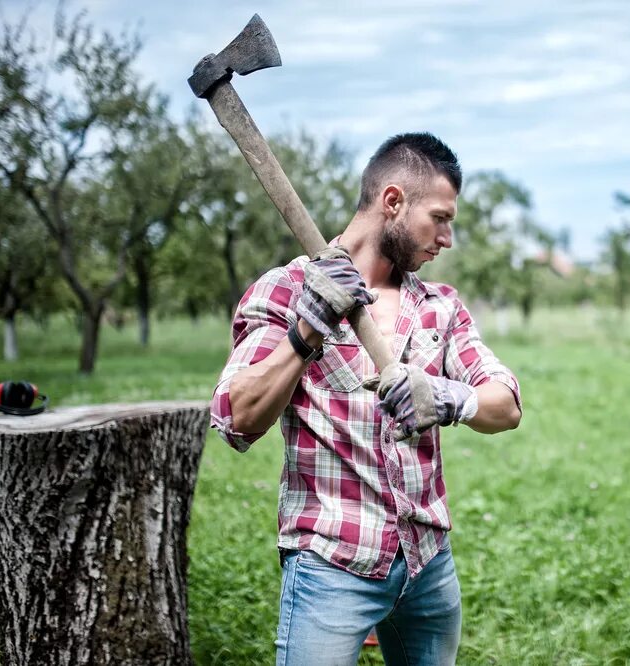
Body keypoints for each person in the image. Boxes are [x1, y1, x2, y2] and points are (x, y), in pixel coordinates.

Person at [210, 132, 522, 666]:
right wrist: (306, 329)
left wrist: (449, 397)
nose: (447, 238)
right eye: (440, 218)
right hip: (331, 565)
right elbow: (237, 418)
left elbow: (506, 405)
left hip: (427, 565)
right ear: (393, 201)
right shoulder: (286, 291)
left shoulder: (439, 306)